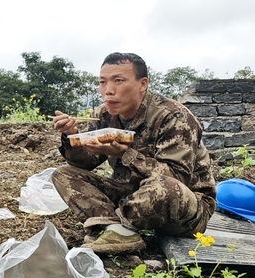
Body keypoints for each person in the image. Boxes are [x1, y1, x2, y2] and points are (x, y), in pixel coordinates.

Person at [51, 52, 216, 255]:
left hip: (183, 207)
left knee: (165, 187)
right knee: (63, 174)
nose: (108, 91)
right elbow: (84, 164)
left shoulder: (174, 117)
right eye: (102, 82)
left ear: (142, 84)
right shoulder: (104, 114)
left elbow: (176, 177)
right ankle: (117, 229)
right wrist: (72, 137)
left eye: (118, 81)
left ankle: (115, 226)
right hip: (130, 198)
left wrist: (125, 154)